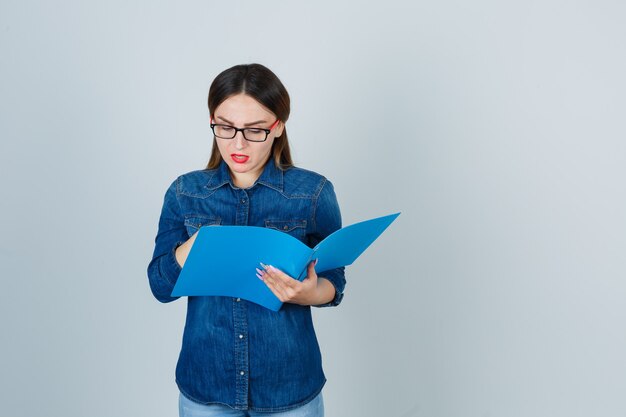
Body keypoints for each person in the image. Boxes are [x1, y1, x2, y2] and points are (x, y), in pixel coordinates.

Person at [147, 63, 346, 417]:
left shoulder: (313, 194)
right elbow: (160, 287)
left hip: (288, 384)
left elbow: (335, 281)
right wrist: (191, 249)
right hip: (206, 385)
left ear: (278, 126)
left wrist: (311, 294)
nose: (237, 143)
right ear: (212, 121)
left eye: (254, 130)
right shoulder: (185, 193)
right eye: (225, 128)